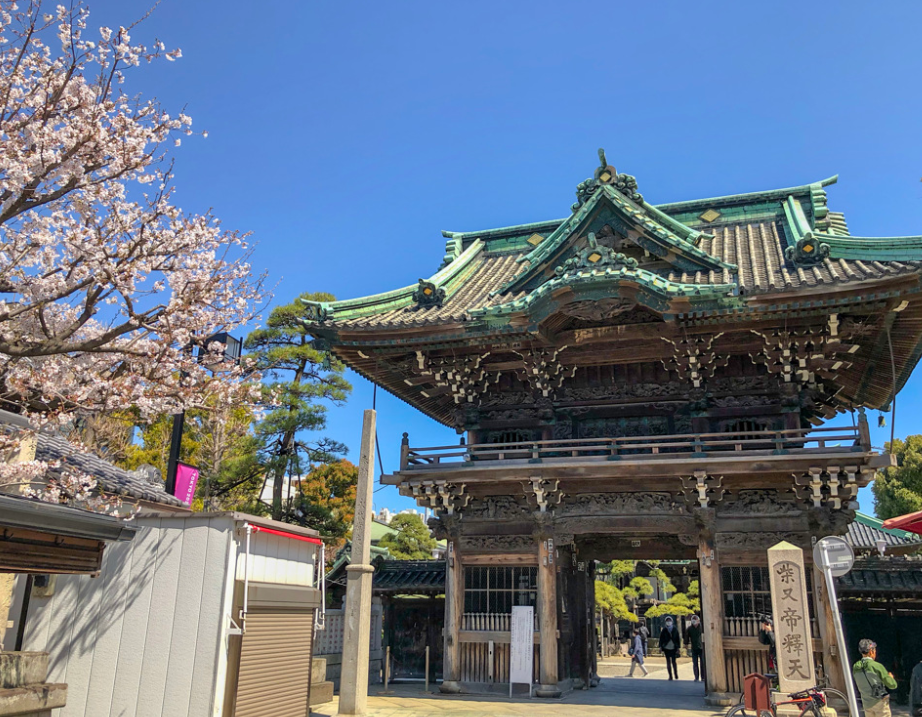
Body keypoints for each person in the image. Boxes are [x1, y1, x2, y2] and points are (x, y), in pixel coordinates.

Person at [852, 638, 897, 717]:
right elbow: (892, 685)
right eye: (875, 650)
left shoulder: (856, 667)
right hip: (880, 702)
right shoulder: (877, 666)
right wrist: (890, 677)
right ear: (871, 651)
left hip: (866, 703)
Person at [660, 616, 680, 680]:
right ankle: (670, 676)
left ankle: (676, 674)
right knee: (668, 662)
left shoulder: (675, 629)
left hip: (673, 647)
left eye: (669, 621)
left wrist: (678, 648)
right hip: (666, 647)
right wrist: (660, 646)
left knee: (674, 662)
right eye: (667, 621)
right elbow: (661, 639)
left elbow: (678, 639)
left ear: (672, 621)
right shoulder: (664, 630)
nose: (668, 622)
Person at [685, 614, 704, 682]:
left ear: (698, 621)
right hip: (694, 647)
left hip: (702, 647)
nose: (694, 621)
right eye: (693, 620)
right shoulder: (689, 629)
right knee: (695, 663)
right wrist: (686, 644)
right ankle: (696, 677)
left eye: (695, 620)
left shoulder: (702, 628)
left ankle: (703, 677)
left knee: (703, 663)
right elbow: (686, 637)